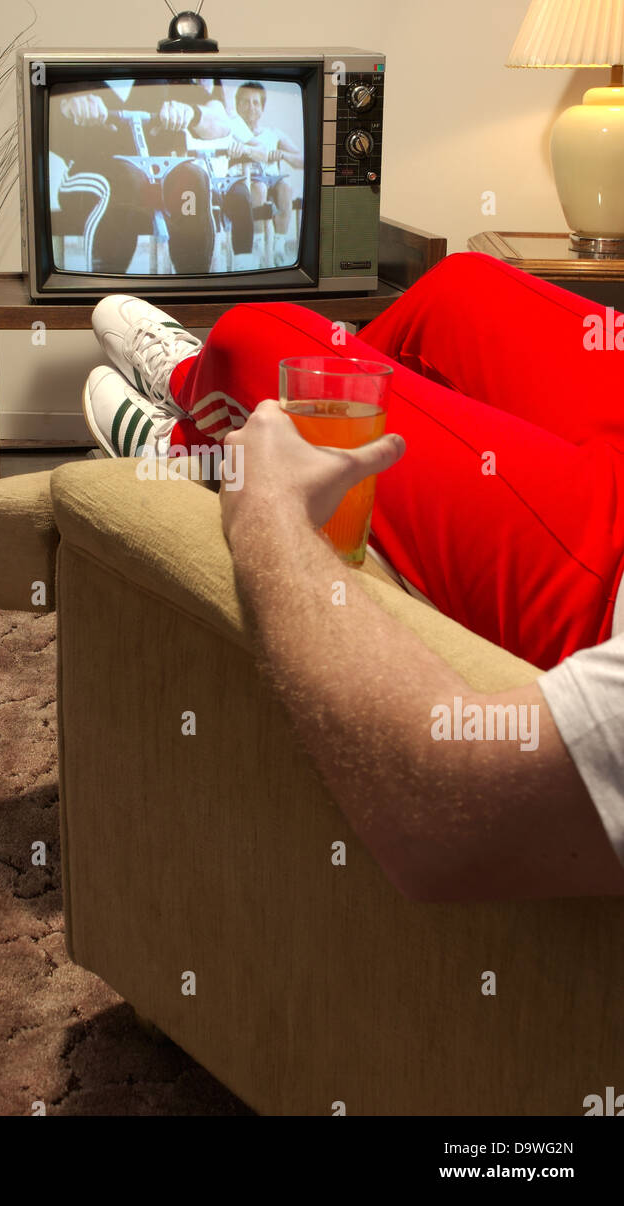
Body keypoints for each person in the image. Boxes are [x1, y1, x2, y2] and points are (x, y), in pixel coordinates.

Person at [80, 253, 624, 901]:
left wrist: (270, 511)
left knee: (255, 340)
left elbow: (444, 807)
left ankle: (199, 434)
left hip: (603, 578)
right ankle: (214, 417)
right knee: (456, 286)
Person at [49, 78, 233, 274]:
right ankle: (106, 290)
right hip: (95, 178)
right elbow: (45, 121)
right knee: (125, 181)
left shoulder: (163, 78)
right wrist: (68, 106)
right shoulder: (74, 80)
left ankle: (193, 283)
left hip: (153, 182)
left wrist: (193, 113)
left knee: (193, 178)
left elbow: (222, 123)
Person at [229, 81, 304, 266]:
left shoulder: (272, 133)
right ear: (237, 105)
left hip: (271, 180)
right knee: (258, 188)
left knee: (285, 187)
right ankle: (257, 243)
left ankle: (279, 244)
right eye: (245, 102)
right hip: (247, 182)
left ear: (262, 107)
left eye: (256, 103)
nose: (250, 107)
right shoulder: (232, 131)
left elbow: (302, 160)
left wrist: (282, 154)